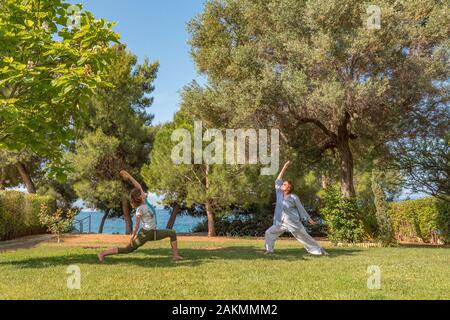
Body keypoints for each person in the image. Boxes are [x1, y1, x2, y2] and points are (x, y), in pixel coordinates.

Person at [97, 170, 183, 262]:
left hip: (153, 233)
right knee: (127, 250)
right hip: (145, 234)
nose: (143, 193)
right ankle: (102, 254)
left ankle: (175, 256)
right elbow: (137, 225)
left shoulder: (145, 202)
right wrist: (132, 237)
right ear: (139, 197)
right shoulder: (139, 209)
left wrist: (129, 176)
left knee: (172, 233)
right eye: (141, 193)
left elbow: (138, 186)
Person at [264, 161, 328, 256]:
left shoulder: (293, 197)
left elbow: (301, 208)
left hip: (293, 222)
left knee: (304, 237)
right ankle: (269, 251)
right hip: (280, 222)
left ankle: (319, 250)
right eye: (282, 184)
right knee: (269, 232)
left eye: (284, 184)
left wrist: (309, 219)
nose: (282, 185)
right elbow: (278, 179)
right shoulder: (279, 194)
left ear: (289, 188)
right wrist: (285, 166)